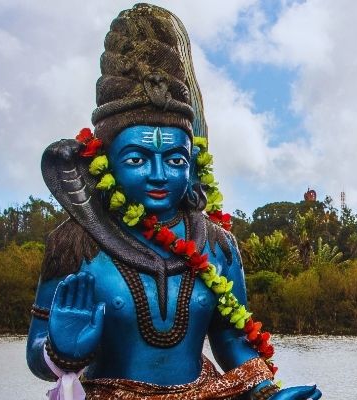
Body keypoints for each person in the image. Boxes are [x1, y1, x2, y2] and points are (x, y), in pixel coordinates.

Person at [27, 4, 321, 399]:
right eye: (137, 159)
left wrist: (266, 393)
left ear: (193, 162)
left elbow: (232, 342)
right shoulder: (75, 242)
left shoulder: (217, 245)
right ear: (104, 162)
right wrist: (60, 350)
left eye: (175, 160)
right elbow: (36, 356)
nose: (159, 174)